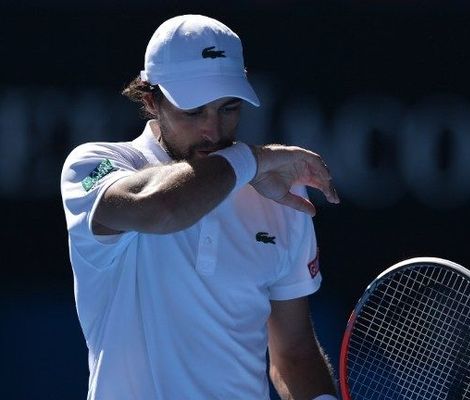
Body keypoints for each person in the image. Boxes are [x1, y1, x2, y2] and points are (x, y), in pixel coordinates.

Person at [60, 14, 340, 400]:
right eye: (194, 112)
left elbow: (293, 353)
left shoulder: (282, 194)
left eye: (228, 108)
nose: (214, 130)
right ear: (151, 100)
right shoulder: (93, 166)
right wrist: (253, 161)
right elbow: (164, 209)